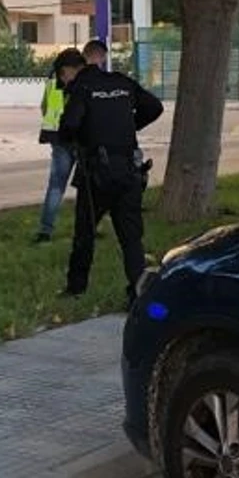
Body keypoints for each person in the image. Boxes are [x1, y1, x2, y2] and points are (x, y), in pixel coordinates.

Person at [59, 39, 163, 302]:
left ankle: (76, 288)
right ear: (103, 58)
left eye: (63, 76)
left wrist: (80, 136)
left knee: (85, 233)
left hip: (97, 173)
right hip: (129, 169)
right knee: (131, 237)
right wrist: (129, 126)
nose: (64, 81)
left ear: (77, 66)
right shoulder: (122, 82)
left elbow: (69, 125)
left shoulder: (82, 87)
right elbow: (154, 107)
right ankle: (138, 291)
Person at [35, 48, 88, 244]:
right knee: (58, 187)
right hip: (66, 143)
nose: (79, 74)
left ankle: (48, 230)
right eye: (77, 70)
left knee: (81, 188)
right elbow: (60, 117)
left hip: (65, 142)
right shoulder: (60, 87)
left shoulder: (55, 85)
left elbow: (46, 111)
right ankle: (45, 230)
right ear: (66, 70)